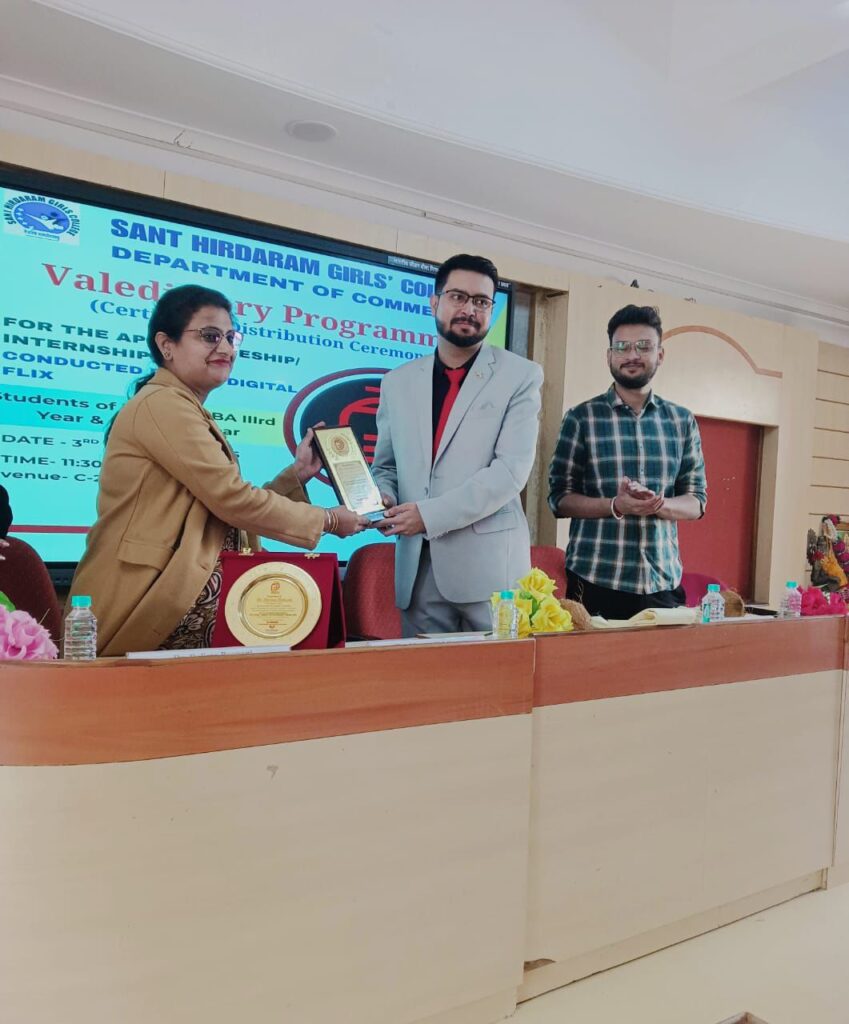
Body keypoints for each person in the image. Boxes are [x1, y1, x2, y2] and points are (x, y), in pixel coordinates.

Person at [69, 284, 367, 656]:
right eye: (210, 336)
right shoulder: (164, 404)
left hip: (189, 604)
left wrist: (297, 475)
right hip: (152, 598)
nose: (225, 348)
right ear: (167, 345)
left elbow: (223, 511)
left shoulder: (182, 405)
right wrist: (329, 520)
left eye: (231, 337)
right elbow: (232, 500)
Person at [371, 253, 543, 636]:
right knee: (426, 686)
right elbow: (386, 465)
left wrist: (428, 515)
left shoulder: (521, 376)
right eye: (458, 297)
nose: (469, 309)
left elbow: (509, 473)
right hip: (417, 569)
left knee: (499, 685)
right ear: (435, 302)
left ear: (492, 311)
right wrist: (382, 495)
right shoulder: (396, 382)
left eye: (481, 301)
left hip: (491, 572)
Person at [548, 304, 707, 620]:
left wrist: (657, 505)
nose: (632, 354)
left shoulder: (681, 420)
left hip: (662, 583)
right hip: (595, 582)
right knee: (592, 671)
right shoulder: (582, 418)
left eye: (643, 346)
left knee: (663, 671)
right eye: (622, 347)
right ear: (609, 356)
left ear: (659, 355)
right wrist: (616, 506)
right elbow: (558, 499)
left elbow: (697, 501)